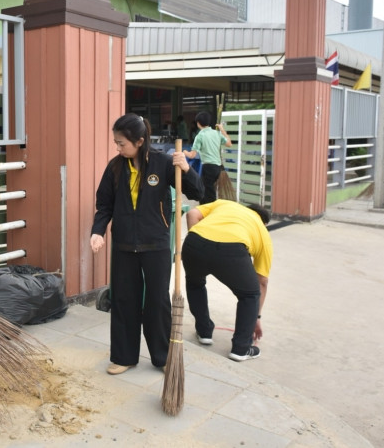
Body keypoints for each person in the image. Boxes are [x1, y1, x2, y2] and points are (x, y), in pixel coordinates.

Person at [90, 113, 204, 375]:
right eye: (116, 143)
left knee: (157, 302)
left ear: (139, 141)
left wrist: (186, 169)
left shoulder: (163, 163)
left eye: (121, 143)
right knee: (123, 300)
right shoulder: (115, 167)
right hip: (124, 245)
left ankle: (162, 357)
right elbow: (104, 205)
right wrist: (98, 232)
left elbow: (198, 193)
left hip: (156, 244)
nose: (118, 148)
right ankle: (124, 356)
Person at [182, 200, 272, 362]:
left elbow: (192, 214)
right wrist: (256, 318)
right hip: (231, 251)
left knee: (195, 283)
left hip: (194, 242)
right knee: (250, 295)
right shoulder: (262, 231)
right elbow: (262, 281)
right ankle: (241, 348)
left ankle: (204, 332)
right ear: (264, 223)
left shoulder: (225, 204)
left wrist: (199, 244)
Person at [184, 111, 232, 204]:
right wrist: (222, 130)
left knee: (207, 193)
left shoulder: (200, 136)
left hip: (208, 167)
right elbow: (229, 143)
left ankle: (209, 209)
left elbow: (192, 155)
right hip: (218, 168)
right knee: (208, 190)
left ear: (198, 123)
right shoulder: (217, 133)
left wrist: (184, 152)